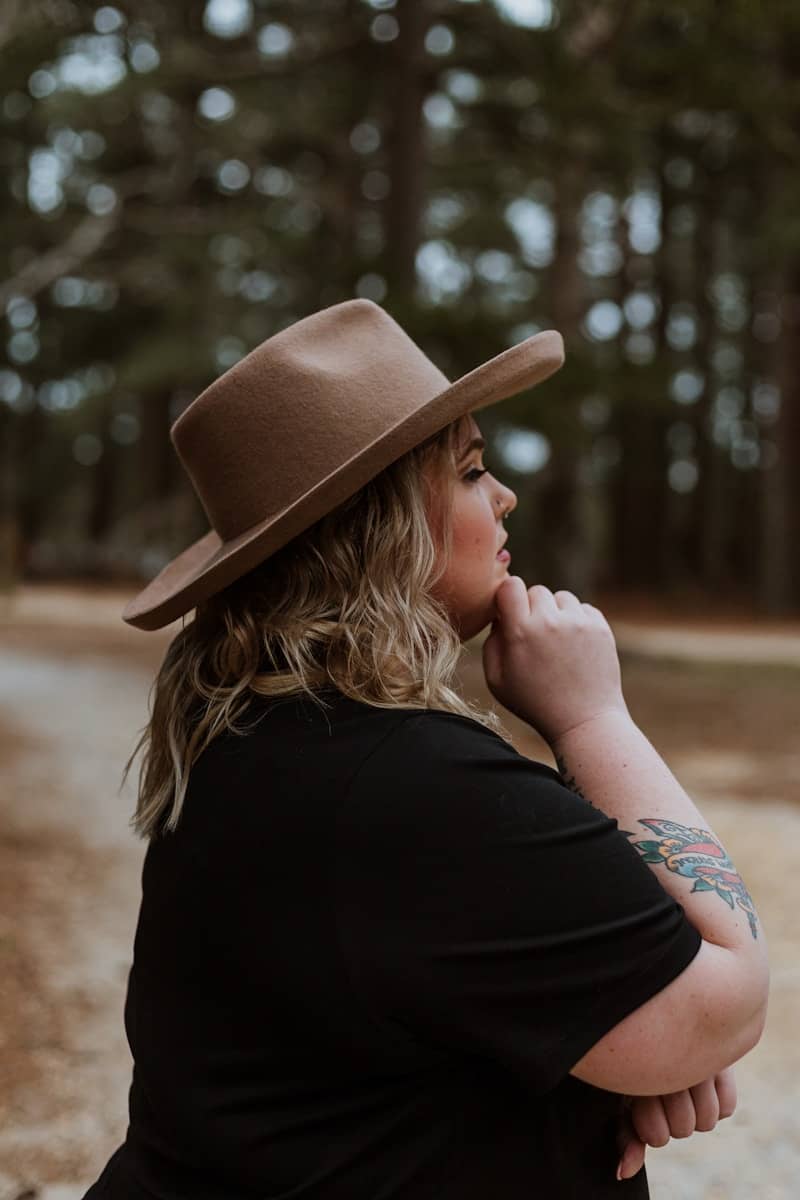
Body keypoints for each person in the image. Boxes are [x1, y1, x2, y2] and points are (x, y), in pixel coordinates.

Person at [82, 298, 768, 1199]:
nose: (504, 494)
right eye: (472, 470)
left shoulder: (256, 738)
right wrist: (595, 719)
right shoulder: (412, 788)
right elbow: (727, 999)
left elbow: (434, 1010)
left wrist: (623, 1056)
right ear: (382, 524)